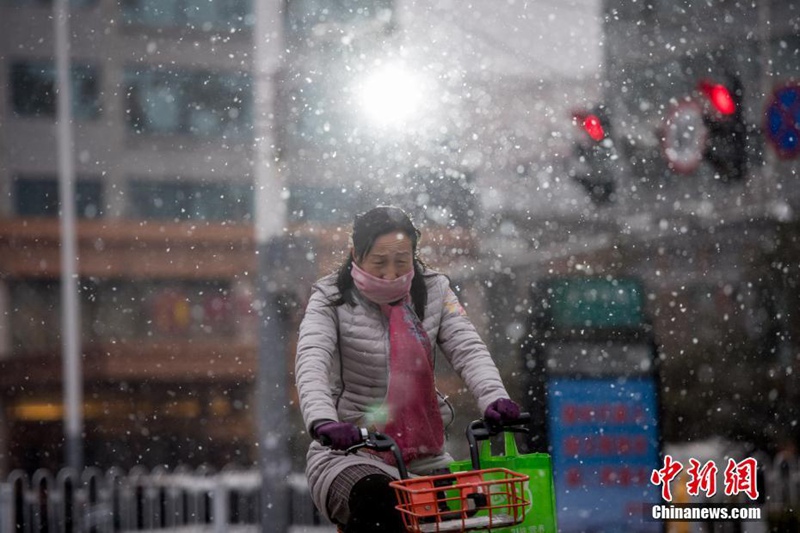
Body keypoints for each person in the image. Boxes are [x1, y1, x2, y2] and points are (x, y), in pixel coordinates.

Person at [295, 206, 522, 532]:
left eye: (401, 262)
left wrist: (494, 399)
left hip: (425, 460)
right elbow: (311, 360)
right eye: (379, 262)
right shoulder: (329, 299)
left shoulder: (436, 291)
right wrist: (323, 421)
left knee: (474, 507)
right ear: (355, 254)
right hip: (351, 455)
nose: (390, 274)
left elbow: (468, 349)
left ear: (414, 256)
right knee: (378, 501)